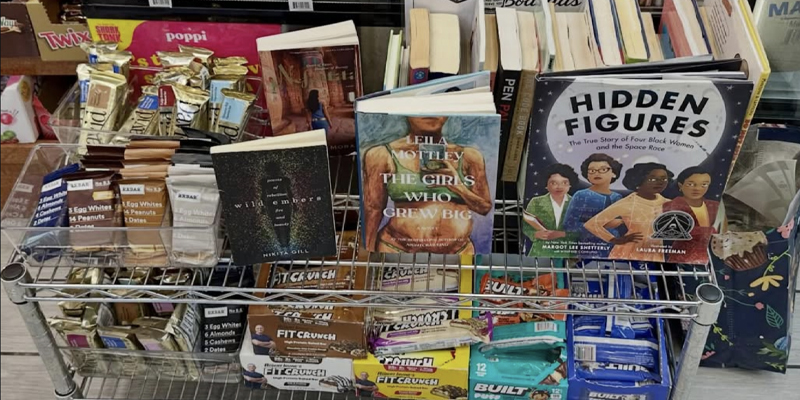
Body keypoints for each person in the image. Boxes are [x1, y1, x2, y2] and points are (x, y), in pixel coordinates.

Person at [362, 116, 493, 253]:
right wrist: (367, 256)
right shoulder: (381, 155)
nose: (430, 115)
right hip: (396, 248)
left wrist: (458, 187)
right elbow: (373, 210)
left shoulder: (469, 156)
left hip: (458, 251)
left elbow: (484, 207)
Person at [585, 162, 674, 262]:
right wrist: (614, 240)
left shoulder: (669, 203)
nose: (660, 182)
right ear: (639, 180)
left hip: (656, 254)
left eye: (664, 179)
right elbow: (592, 224)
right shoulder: (628, 203)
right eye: (653, 179)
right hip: (629, 254)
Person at [562, 153, 624, 258]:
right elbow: (569, 226)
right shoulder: (581, 195)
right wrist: (602, 225)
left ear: (613, 173)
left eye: (603, 169)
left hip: (615, 251)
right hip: (587, 251)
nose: (596, 173)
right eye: (591, 171)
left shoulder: (617, 197)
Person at [663, 166, 719, 263]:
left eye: (704, 185)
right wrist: (711, 231)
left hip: (712, 258)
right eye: (691, 184)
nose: (697, 188)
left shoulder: (715, 205)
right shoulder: (669, 205)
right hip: (683, 259)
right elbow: (676, 231)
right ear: (681, 186)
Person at [522, 163, 579, 257]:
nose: (559, 187)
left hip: (567, 254)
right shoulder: (536, 202)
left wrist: (561, 234)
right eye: (554, 183)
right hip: (540, 252)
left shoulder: (577, 203)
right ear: (546, 185)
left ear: (570, 185)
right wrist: (536, 234)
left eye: (564, 183)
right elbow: (526, 226)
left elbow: (583, 230)